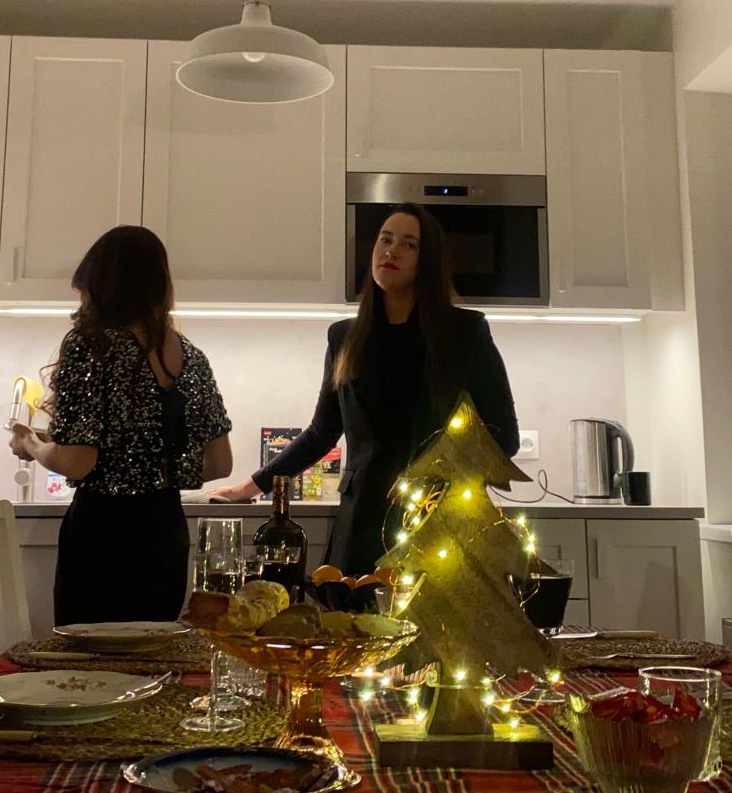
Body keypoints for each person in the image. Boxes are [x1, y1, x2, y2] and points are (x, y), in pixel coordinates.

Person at [208, 203, 520, 578]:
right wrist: (252, 486)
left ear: (427, 261)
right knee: (352, 613)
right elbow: (322, 432)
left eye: (409, 244)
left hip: (439, 521)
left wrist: (439, 475)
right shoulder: (345, 338)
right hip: (361, 522)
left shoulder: (463, 333)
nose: (391, 251)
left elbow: (504, 436)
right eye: (385, 240)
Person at [8, 226, 233, 624]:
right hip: (165, 532)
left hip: (103, 533)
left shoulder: (92, 345)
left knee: (89, 656)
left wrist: (31, 445)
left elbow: (77, 462)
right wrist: (153, 466)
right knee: (152, 653)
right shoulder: (192, 357)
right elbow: (219, 464)